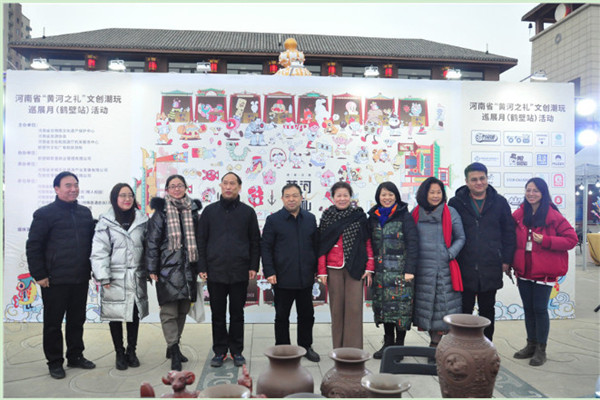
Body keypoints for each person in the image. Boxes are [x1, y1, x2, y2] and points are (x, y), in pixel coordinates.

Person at [26, 171, 96, 379]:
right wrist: (39, 274)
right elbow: (34, 246)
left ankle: (75, 355)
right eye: (68, 185)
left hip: (80, 277)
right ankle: (55, 362)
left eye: (76, 185)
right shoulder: (45, 214)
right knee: (53, 324)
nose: (73, 189)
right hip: (54, 280)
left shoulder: (85, 213)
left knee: (77, 320)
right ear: (56, 189)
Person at [511, 177, 577, 366]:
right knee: (528, 309)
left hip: (544, 272)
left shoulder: (553, 215)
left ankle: (541, 349)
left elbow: (572, 240)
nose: (531, 194)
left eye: (535, 190)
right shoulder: (519, 214)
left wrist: (546, 240)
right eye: (528, 190)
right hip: (524, 270)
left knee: (539, 309)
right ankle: (530, 345)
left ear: (543, 193)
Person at [198, 172, 260, 368]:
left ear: (239, 187)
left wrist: (253, 265)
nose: (228, 187)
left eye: (232, 183)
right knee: (217, 314)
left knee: (237, 314)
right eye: (225, 183)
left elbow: (255, 241)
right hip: (215, 271)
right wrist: (202, 266)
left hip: (239, 271)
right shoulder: (209, 211)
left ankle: (236, 351)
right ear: (220, 186)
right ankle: (219, 351)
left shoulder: (248, 212)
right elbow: (201, 241)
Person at [448, 162, 516, 341]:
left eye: (482, 178)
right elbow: (450, 233)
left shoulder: (500, 202)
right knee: (464, 311)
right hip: (464, 266)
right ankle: (462, 346)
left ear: (487, 179)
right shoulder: (456, 203)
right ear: (467, 182)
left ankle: (486, 346)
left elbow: (509, 232)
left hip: (491, 265)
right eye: (474, 179)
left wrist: (506, 260)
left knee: (487, 310)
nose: (479, 182)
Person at [146, 175, 202, 371]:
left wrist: (200, 267)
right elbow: (152, 242)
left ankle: (173, 344)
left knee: (183, 310)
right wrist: (152, 268)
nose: (177, 189)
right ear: (167, 190)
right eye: (172, 186)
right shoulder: (160, 213)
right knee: (169, 312)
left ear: (186, 187)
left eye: (180, 185)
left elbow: (200, 240)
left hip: (189, 268)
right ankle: (175, 349)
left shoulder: (193, 212)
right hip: (167, 269)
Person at [91, 183, 149, 370]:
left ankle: (132, 351)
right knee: (115, 316)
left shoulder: (142, 220)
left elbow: (149, 248)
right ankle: (119, 352)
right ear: (115, 198)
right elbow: (99, 251)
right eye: (122, 195)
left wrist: (150, 270)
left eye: (130, 195)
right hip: (114, 277)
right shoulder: (105, 222)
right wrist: (103, 276)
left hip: (135, 275)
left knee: (134, 315)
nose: (127, 199)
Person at [261, 183, 320, 362]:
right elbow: (266, 248)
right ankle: (283, 349)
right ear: (282, 199)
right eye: (287, 196)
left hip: (305, 277)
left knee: (307, 315)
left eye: (295, 195)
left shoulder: (310, 219)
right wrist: (269, 271)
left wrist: (316, 269)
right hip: (282, 278)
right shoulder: (273, 220)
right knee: (281, 316)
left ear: (301, 198)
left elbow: (315, 246)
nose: (291, 199)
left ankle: (305, 346)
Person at [318, 181, 374, 349]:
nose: (342, 199)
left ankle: (353, 351)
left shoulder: (359, 216)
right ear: (332, 197)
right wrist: (322, 271)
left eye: (345, 195)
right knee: (336, 310)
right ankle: (339, 349)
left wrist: (369, 267)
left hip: (356, 267)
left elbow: (367, 242)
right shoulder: (327, 217)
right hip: (333, 269)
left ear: (350, 197)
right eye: (338, 195)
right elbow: (321, 246)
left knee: (354, 309)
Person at [412, 177, 465, 355]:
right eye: (432, 192)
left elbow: (461, 238)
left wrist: (449, 254)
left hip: (444, 270)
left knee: (442, 309)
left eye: (439, 192)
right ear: (424, 194)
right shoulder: (415, 213)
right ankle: (434, 343)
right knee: (426, 310)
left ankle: (437, 345)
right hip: (421, 270)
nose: (436, 196)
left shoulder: (450, 212)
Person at [367, 182, 418, 359]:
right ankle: (388, 344)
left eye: (390, 194)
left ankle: (399, 346)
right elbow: (368, 244)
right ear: (378, 197)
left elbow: (413, 244)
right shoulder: (373, 217)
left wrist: (410, 269)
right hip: (380, 273)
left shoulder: (404, 216)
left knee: (401, 310)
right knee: (384, 308)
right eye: (383, 195)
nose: (387, 198)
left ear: (396, 196)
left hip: (401, 273)